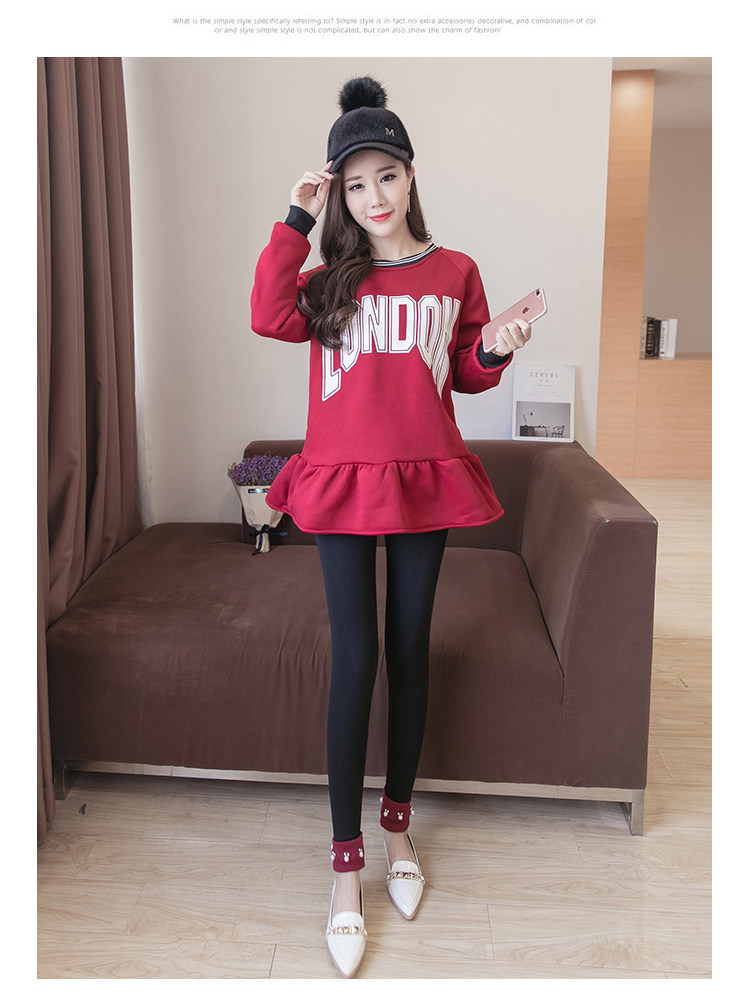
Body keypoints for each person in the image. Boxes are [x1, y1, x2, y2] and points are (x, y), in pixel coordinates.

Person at [250, 76, 531, 978]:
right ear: (340, 190)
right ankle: (346, 867)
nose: (373, 197)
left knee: (410, 649)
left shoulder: (455, 272)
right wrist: (295, 221)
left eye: (387, 176)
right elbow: (266, 314)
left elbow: (465, 369)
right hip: (342, 481)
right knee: (356, 657)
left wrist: (497, 348)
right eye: (355, 183)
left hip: (424, 477)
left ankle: (398, 828)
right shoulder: (327, 279)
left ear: (411, 176)